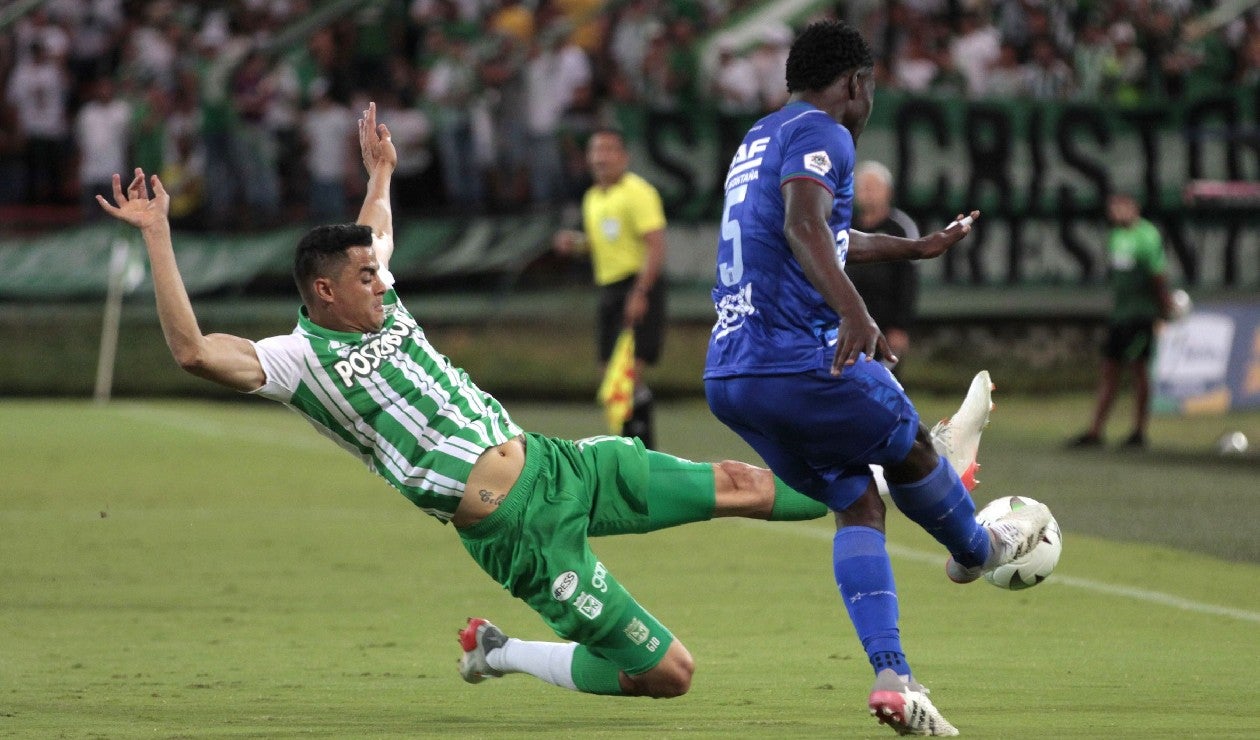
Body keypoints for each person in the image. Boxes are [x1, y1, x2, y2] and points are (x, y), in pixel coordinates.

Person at [95, 102, 835, 703]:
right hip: (519, 535)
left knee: (742, 485)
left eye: (378, 271)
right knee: (670, 675)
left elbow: (374, 230)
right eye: (363, 276)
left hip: (561, 466)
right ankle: (503, 653)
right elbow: (193, 351)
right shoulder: (295, 361)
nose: (382, 280)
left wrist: (379, 172)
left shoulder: (382, 293)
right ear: (324, 292)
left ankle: (894, 473)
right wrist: (158, 234)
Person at [702, 21, 1053, 736]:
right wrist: (855, 312)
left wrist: (913, 248)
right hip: (796, 360)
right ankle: (976, 552)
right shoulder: (828, 133)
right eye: (870, 89)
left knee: (860, 504)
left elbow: (816, 231)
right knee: (915, 450)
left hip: (730, 375)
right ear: (855, 82)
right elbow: (806, 227)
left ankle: (894, 679)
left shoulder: (761, 135)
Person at [553, 128, 667, 449]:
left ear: (623, 156)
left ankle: (644, 454)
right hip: (609, 289)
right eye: (595, 150)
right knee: (611, 379)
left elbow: (655, 246)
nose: (600, 157)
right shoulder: (592, 198)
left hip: (638, 285)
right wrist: (575, 244)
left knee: (627, 378)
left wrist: (641, 292)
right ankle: (631, 449)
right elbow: (601, 243)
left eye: (608, 150)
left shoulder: (638, 192)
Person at [1069, 192, 1174, 449]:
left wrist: (1164, 306)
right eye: (1112, 207)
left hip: (1141, 316)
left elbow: (1157, 275)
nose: (1115, 211)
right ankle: (1095, 431)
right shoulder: (1115, 236)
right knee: (1109, 370)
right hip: (1120, 316)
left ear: (1134, 207)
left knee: (1139, 371)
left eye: (1121, 206)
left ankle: (1138, 431)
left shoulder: (1147, 236)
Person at [845, 160, 919, 375]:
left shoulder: (900, 227)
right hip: (849, 324)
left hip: (885, 325)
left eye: (873, 186)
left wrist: (901, 325)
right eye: (862, 187)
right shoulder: (844, 225)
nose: (867, 192)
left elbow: (908, 280)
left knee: (886, 384)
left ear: (888, 191)